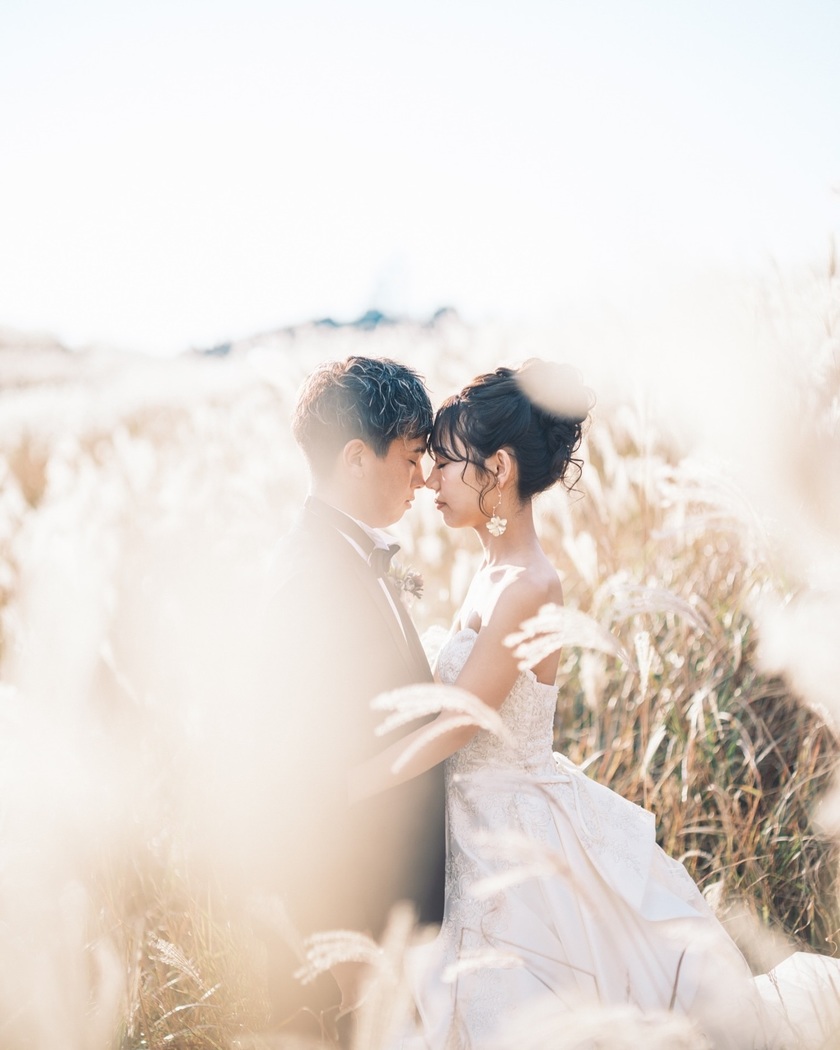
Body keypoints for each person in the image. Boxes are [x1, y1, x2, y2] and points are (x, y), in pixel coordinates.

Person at [349, 360, 840, 1050]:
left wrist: (356, 783)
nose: (430, 477)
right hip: (470, 816)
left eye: (447, 462)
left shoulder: (530, 583)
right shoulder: (490, 571)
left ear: (498, 470)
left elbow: (464, 717)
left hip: (509, 827)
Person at [263, 356, 446, 1041]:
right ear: (357, 458)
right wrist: (344, 954)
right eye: (412, 456)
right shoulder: (308, 582)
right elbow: (298, 787)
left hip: (409, 913)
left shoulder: (350, 558)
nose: (423, 477)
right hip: (365, 932)